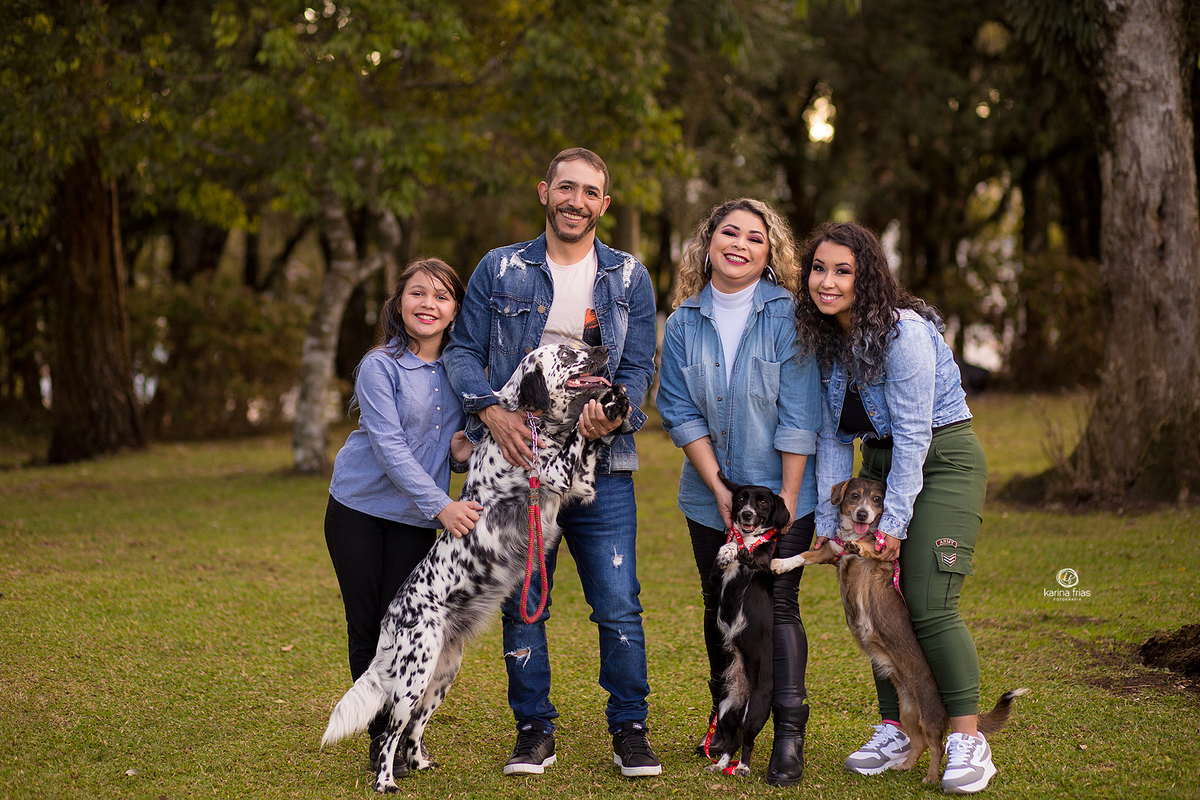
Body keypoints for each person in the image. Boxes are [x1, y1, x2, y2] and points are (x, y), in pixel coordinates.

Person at [442, 148, 661, 778]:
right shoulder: (500, 268)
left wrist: (616, 415)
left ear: (604, 204)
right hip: (516, 467)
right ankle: (534, 729)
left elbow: (639, 368)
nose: (576, 202)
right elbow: (462, 352)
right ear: (545, 192)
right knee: (524, 603)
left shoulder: (628, 278)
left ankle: (630, 730)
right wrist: (490, 412)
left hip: (601, 466)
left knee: (618, 601)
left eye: (590, 193)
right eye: (566, 189)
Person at [794, 221, 993, 794]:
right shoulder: (828, 341)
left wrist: (897, 524)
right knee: (877, 601)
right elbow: (833, 437)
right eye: (818, 268)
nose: (826, 282)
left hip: (942, 456)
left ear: (869, 277)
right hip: (880, 467)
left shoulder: (903, 332)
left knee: (928, 602)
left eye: (842, 271)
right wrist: (836, 527)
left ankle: (966, 738)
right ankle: (896, 731)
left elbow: (913, 434)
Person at [656, 198, 821, 787]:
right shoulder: (682, 322)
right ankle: (727, 719)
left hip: (779, 497)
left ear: (770, 252)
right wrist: (717, 486)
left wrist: (790, 503)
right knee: (719, 607)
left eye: (756, 237)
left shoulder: (788, 316)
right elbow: (675, 407)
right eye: (730, 232)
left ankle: (786, 736)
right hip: (709, 498)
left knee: (775, 609)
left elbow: (801, 412)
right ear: (709, 242)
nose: (741, 244)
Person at [324, 258, 483, 773]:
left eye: (441, 296)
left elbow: (454, 445)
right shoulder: (379, 365)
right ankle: (380, 738)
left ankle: (397, 726)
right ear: (398, 304)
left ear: (455, 309)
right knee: (368, 622)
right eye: (418, 294)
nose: (428, 305)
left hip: (417, 519)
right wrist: (443, 505)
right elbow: (390, 447)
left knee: (408, 628)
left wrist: (460, 455)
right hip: (359, 510)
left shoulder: (462, 373)